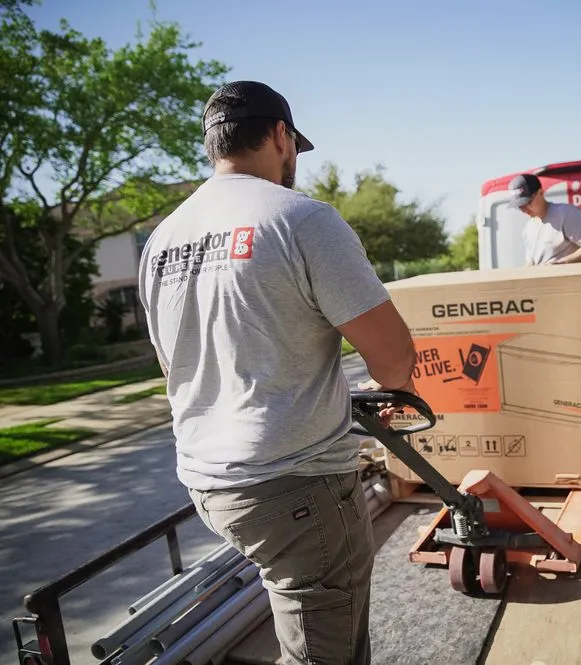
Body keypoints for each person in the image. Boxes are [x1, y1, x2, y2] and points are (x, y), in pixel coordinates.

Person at [137, 80, 417, 665]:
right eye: (294, 148)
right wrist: (396, 392)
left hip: (210, 483)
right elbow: (392, 356)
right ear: (281, 136)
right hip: (296, 486)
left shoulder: (161, 241)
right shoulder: (301, 219)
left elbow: (175, 365)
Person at [507, 173, 581, 266]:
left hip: (567, 277)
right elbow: (530, 262)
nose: (524, 210)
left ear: (540, 193)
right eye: (520, 206)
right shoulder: (528, 228)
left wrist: (562, 264)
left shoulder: (565, 214)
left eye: (528, 203)